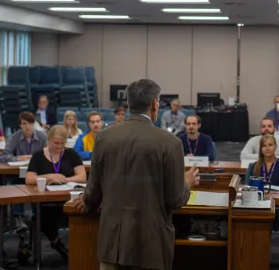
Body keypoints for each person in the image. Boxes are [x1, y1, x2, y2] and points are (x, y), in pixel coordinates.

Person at [78, 79, 200, 270]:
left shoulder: (103, 137)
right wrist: (187, 183)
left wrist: (85, 200)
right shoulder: (170, 143)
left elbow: (92, 192)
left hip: (113, 244)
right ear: (155, 104)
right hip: (151, 246)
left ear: (128, 104)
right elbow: (176, 199)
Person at [25, 126, 86, 261]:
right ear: (49, 140)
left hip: (67, 198)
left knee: (84, 209)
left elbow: (82, 177)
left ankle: (80, 249)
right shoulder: (38, 156)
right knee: (43, 214)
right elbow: (29, 179)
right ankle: (56, 242)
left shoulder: (71, 154)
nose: (59, 147)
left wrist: (64, 179)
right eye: (56, 143)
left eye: (62, 144)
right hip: (45, 201)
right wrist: (49, 177)